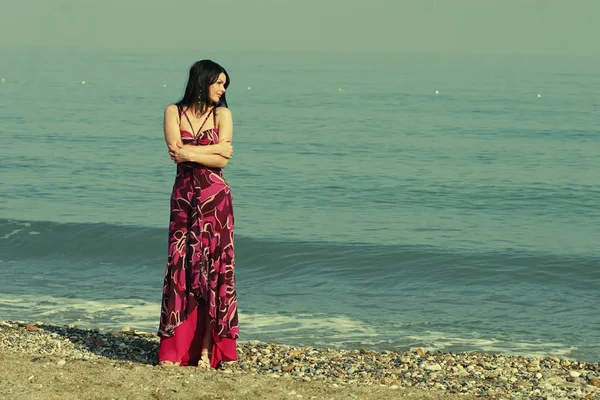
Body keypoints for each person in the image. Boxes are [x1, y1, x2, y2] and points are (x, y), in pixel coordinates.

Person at [157, 60, 239, 369]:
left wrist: (189, 152)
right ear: (202, 81)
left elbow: (226, 157)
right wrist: (210, 152)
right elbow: (175, 150)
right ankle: (174, 350)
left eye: (225, 84)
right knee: (181, 268)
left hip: (216, 201)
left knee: (213, 271)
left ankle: (206, 351)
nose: (223, 89)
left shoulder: (223, 114)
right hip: (183, 199)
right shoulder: (173, 112)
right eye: (219, 82)